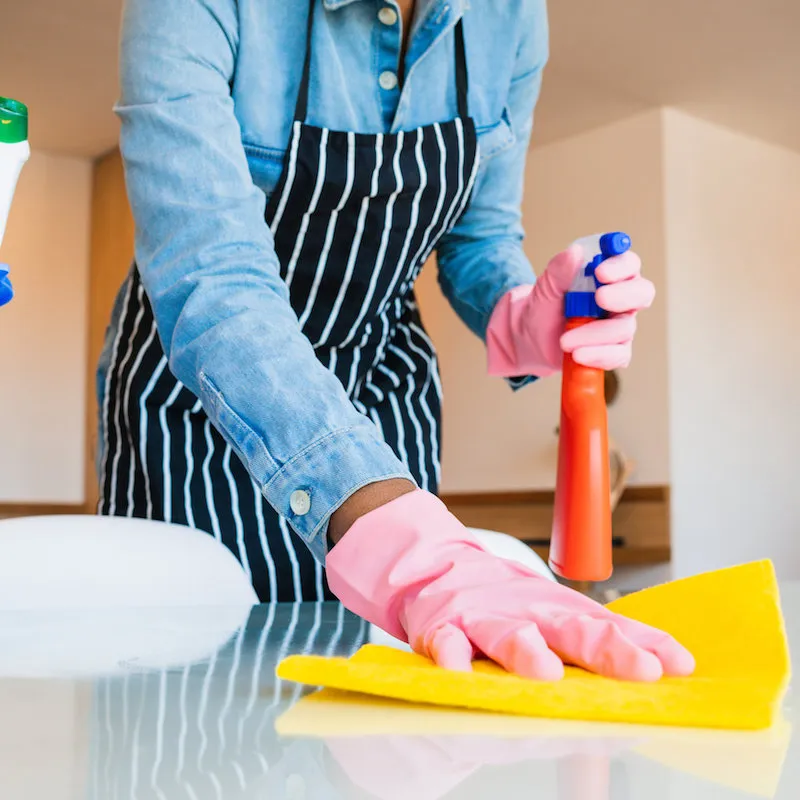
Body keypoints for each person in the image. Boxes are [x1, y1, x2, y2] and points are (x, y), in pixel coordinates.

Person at [98, 0, 694, 681]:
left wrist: (531, 320)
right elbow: (213, 275)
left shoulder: (512, 17)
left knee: (381, 713)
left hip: (380, 390)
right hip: (199, 413)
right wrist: (413, 550)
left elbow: (479, 239)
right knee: (201, 710)